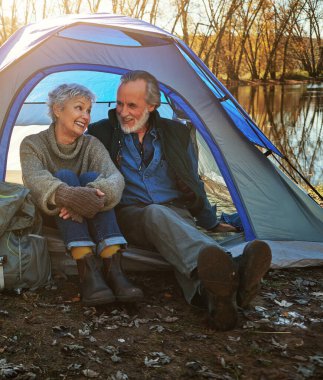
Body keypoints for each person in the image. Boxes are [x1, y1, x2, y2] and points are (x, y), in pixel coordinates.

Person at [87, 71, 272, 330]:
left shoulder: (177, 133)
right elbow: (88, 176)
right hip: (131, 215)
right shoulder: (100, 133)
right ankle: (233, 267)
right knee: (156, 214)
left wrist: (209, 220)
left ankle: (218, 298)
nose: (123, 112)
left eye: (132, 105)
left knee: (181, 240)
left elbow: (192, 180)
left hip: (177, 211)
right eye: (119, 103)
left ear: (152, 106)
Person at [20, 83, 143, 306]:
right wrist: (68, 196)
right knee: (65, 175)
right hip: (54, 213)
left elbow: (116, 179)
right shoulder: (32, 144)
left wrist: (88, 196)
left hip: (88, 210)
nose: (85, 116)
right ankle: (87, 269)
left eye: (88, 110)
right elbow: (35, 180)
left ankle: (113, 267)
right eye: (79, 108)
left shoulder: (91, 144)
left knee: (92, 179)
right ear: (58, 110)